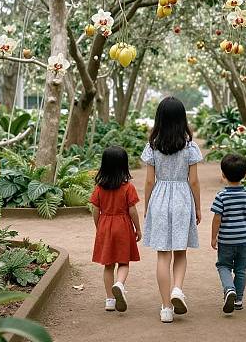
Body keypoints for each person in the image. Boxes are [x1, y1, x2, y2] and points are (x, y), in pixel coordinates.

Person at [142, 97, 202, 323]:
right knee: (180, 251)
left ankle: (166, 308)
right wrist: (197, 207)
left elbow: (149, 181)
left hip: (159, 198)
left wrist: (148, 206)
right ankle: (177, 289)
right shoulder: (189, 146)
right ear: (182, 119)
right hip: (182, 200)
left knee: (162, 255)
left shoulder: (152, 146)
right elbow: (194, 181)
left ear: (160, 119)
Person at [90, 145, 142, 313]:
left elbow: (95, 209)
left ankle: (109, 300)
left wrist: (99, 227)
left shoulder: (99, 187)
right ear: (124, 165)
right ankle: (119, 284)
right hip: (123, 225)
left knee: (108, 265)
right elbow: (132, 210)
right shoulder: (128, 187)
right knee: (124, 261)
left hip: (105, 224)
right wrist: (138, 229)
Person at [211, 153, 246, 314]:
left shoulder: (221, 196)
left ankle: (229, 289)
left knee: (223, 265)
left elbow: (217, 218)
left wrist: (213, 237)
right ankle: (238, 300)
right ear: (245, 174)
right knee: (241, 269)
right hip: (244, 239)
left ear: (223, 174)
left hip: (226, 240)